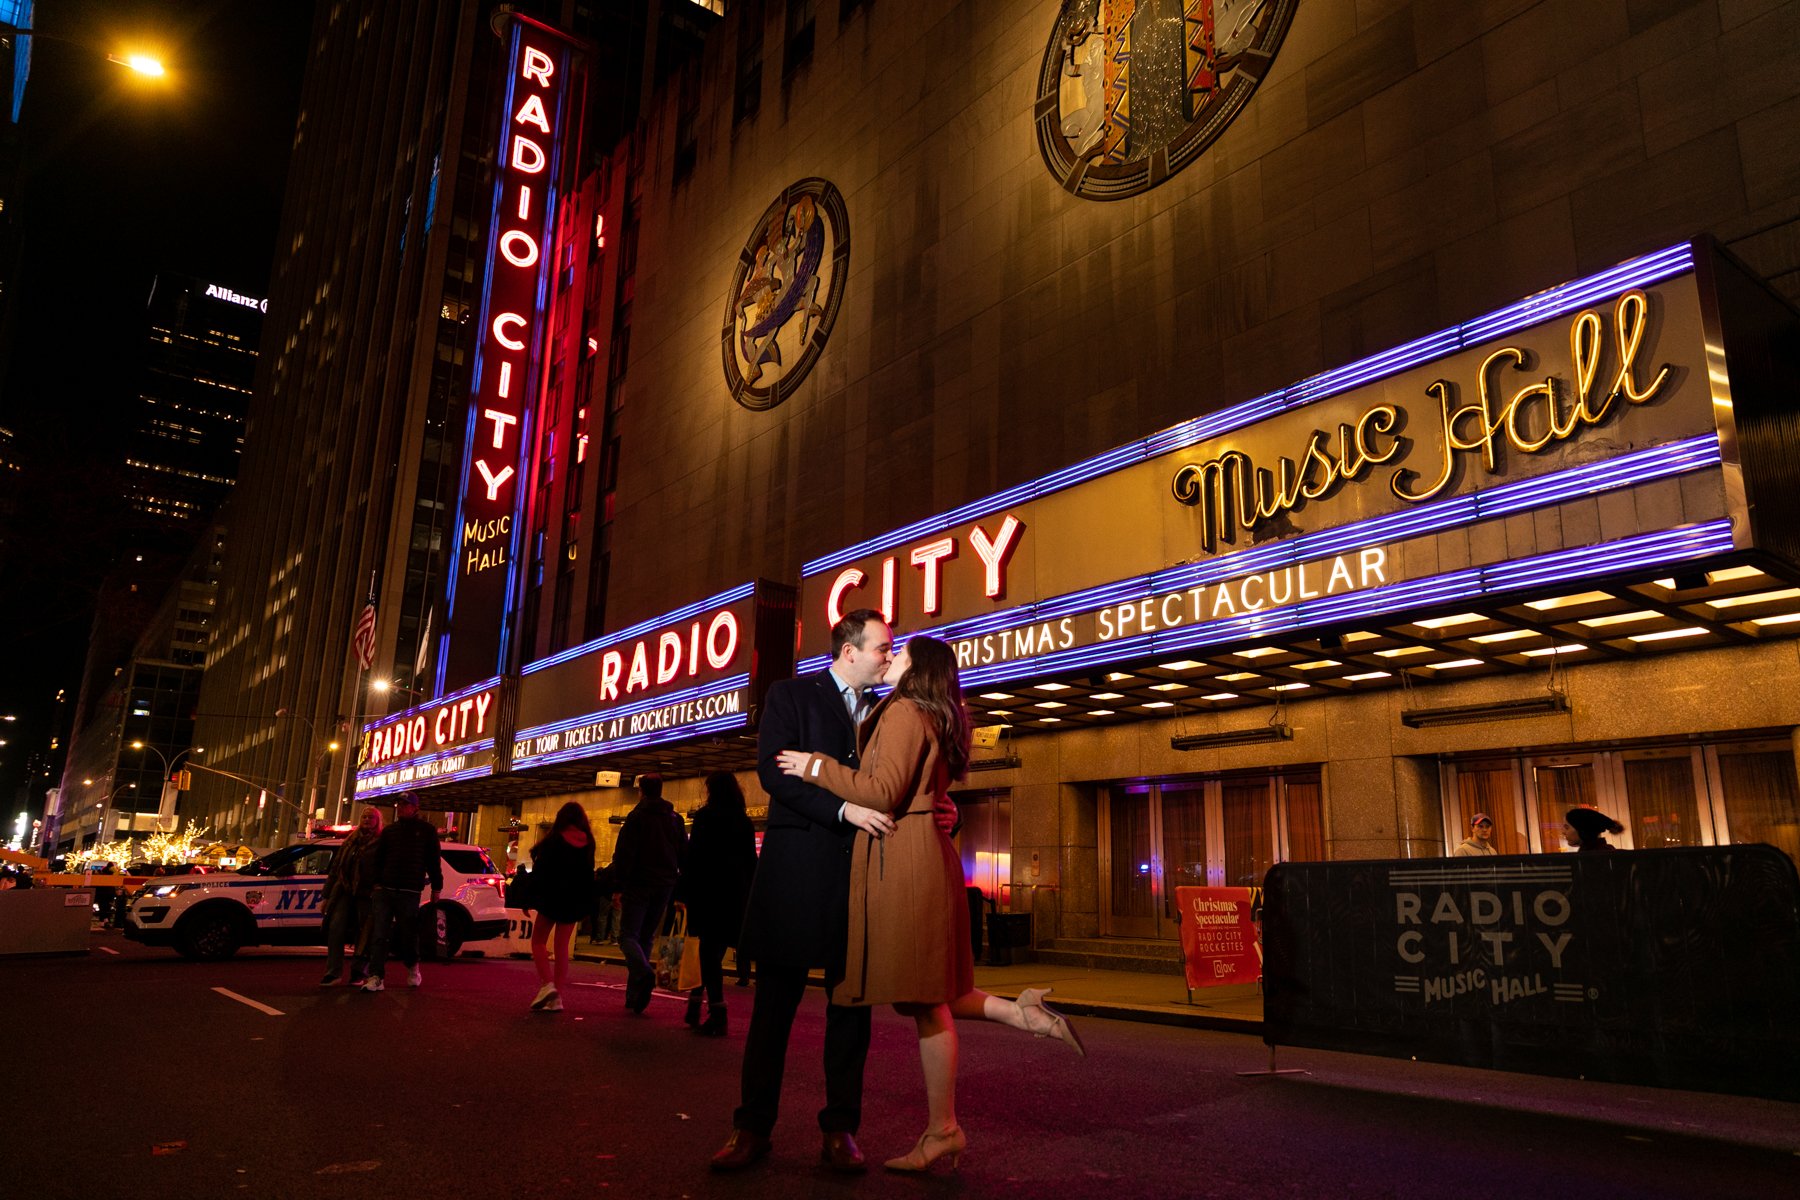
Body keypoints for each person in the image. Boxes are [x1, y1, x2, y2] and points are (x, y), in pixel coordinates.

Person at [775, 633, 1084, 1174]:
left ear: (919, 669)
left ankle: (944, 1129)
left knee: (923, 997)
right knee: (926, 993)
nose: (891, 658)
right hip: (922, 856)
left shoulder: (904, 712)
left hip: (906, 862)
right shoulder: (932, 714)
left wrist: (815, 767)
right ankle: (1020, 1016)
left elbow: (881, 790)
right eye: (887, 650)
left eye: (901, 654)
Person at [711, 609, 921, 1175]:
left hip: (859, 882)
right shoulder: (791, 695)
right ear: (848, 650)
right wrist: (844, 808)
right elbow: (776, 774)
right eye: (882, 646)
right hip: (796, 876)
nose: (887, 655)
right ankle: (751, 1127)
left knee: (851, 1015)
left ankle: (841, 1131)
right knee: (772, 1013)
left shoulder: (888, 710)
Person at [675, 772, 758, 1036]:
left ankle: (716, 1011)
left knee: (705, 953)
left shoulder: (705, 817)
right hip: (733, 895)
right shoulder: (743, 821)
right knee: (713, 953)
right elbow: (750, 863)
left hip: (707, 893)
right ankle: (698, 1006)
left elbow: (694, 858)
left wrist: (682, 893)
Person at [611, 774, 687, 1013]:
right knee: (646, 937)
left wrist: (618, 887)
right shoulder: (675, 819)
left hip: (639, 882)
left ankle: (644, 973)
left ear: (641, 791)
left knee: (627, 936)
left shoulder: (637, 817)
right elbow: (684, 854)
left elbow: (624, 854)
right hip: (665, 884)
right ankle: (636, 999)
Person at [361, 793, 442, 992]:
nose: (401, 807)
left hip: (409, 891)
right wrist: (376, 883)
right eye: (399, 804)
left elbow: (433, 860)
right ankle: (376, 976)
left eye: (405, 804)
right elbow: (379, 859)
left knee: (408, 934)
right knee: (380, 934)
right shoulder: (390, 831)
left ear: (415, 808)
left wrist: (436, 887)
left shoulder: (427, 831)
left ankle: (413, 967)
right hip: (385, 890)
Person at [526, 802, 596, 1012]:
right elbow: (587, 875)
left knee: (538, 941)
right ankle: (558, 997)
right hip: (574, 900)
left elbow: (541, 873)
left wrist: (529, 897)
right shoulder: (588, 841)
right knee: (562, 947)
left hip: (551, 897)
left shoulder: (554, 840)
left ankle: (547, 985)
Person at [321, 806, 383, 985]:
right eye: (364, 816)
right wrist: (326, 896)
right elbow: (336, 869)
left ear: (377, 821)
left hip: (367, 894)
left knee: (364, 934)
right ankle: (333, 972)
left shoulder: (381, 842)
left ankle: (359, 972)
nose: (366, 820)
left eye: (371, 817)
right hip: (345, 891)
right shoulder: (350, 841)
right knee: (336, 928)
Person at [587, 861, 620, 943]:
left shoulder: (607, 870)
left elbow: (602, 883)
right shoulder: (622, 870)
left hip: (606, 896)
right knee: (616, 918)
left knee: (602, 916)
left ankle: (600, 937)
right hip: (617, 895)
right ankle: (614, 938)